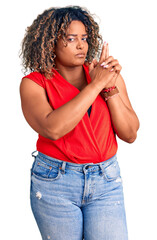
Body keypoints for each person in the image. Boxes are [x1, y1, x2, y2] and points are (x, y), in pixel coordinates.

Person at [20, 6, 139, 240]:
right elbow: (52, 129)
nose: (81, 45)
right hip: (56, 182)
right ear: (50, 43)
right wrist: (95, 86)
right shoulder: (33, 84)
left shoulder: (107, 77)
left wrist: (109, 88)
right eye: (71, 39)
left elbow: (130, 134)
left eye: (84, 38)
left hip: (106, 180)